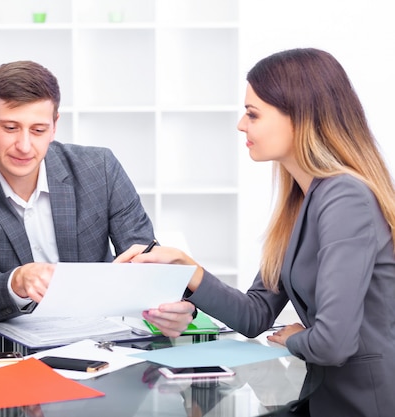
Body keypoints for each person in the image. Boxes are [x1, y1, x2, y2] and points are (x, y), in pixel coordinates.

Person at [116, 48, 395, 416]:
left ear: (299, 117)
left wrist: (297, 338)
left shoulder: (345, 198)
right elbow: (255, 314)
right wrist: (187, 268)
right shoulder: (302, 200)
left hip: (361, 404)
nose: (241, 125)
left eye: (253, 114)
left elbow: (333, 343)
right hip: (320, 397)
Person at [0, 60, 196, 336]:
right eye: (10, 128)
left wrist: (177, 307)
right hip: (12, 345)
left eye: (38, 130)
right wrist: (16, 282)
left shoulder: (99, 168)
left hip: (103, 336)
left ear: (54, 126)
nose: (24, 146)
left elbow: (147, 261)